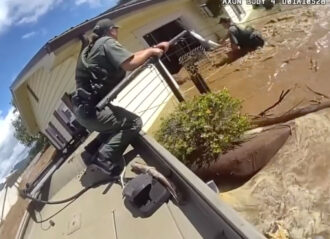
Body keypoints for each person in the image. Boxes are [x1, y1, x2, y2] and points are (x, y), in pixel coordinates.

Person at [72, 18, 169, 175]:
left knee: (114, 125)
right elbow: (130, 63)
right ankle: (104, 159)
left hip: (83, 112)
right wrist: (152, 52)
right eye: (115, 29)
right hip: (94, 112)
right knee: (133, 122)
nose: (117, 32)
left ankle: (91, 150)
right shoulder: (107, 43)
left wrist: (152, 48)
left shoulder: (92, 48)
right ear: (111, 30)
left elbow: (129, 56)